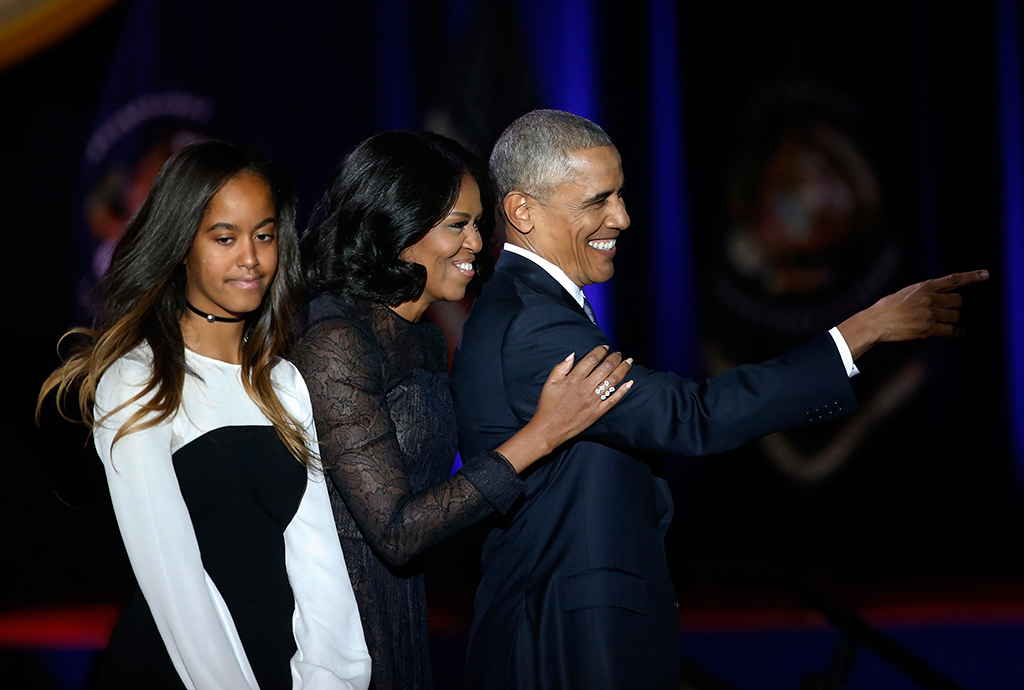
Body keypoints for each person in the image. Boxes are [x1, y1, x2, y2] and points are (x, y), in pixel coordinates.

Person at [450, 109, 989, 690]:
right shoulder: (532, 324)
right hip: (561, 641)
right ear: (521, 211)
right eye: (597, 201)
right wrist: (862, 331)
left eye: (622, 195)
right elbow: (691, 416)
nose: (623, 218)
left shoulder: (532, 308)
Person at [292, 130, 633, 690]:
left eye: (479, 223)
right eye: (457, 224)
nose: (477, 242)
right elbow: (398, 531)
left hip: (400, 609)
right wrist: (541, 434)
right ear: (395, 226)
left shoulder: (422, 336)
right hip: (341, 626)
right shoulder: (336, 339)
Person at [36, 141, 371, 690]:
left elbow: (319, 562)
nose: (251, 258)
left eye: (264, 235)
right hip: (179, 666)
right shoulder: (137, 381)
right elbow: (173, 578)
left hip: (282, 663)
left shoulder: (284, 381)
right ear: (181, 245)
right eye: (225, 238)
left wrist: (333, 679)